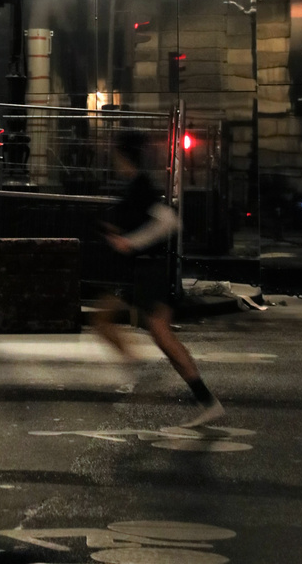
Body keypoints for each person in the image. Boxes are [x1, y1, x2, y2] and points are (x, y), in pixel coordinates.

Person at [94, 130, 224, 428]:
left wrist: (130, 242)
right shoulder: (133, 186)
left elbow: (169, 220)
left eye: (114, 155)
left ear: (122, 156)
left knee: (160, 334)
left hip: (149, 270)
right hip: (139, 271)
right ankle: (203, 399)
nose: (112, 160)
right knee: (111, 323)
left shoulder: (140, 186)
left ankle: (189, 393)